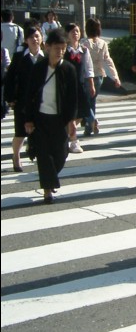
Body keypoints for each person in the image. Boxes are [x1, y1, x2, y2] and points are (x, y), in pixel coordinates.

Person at [23, 28, 78, 204]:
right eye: (57, 48)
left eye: (63, 48)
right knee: (44, 155)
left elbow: (73, 97)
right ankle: (48, 190)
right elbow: (29, 94)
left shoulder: (69, 69)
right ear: (47, 47)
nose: (60, 52)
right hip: (40, 118)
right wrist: (28, 119)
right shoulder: (39, 68)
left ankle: (50, 178)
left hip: (59, 119)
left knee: (60, 155)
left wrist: (72, 121)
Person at [4, 27, 45, 172]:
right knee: (20, 133)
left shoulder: (45, 57)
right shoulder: (20, 57)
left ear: (41, 38)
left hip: (42, 103)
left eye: (37, 36)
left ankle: (39, 156)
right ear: (26, 40)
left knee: (40, 132)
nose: (35, 39)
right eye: (31, 37)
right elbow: (10, 78)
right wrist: (9, 98)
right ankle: (16, 156)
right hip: (22, 101)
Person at [84, 17, 121, 136]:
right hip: (99, 75)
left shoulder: (84, 43)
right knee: (92, 101)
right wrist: (115, 76)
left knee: (85, 101)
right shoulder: (103, 43)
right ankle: (89, 127)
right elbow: (108, 60)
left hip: (87, 76)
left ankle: (91, 121)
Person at [64, 23, 95, 153]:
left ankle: (66, 134)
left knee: (82, 113)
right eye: (72, 31)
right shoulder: (64, 50)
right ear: (67, 35)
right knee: (71, 114)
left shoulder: (84, 50)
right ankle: (73, 140)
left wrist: (91, 85)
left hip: (81, 86)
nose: (75, 33)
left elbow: (89, 68)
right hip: (66, 87)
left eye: (77, 31)